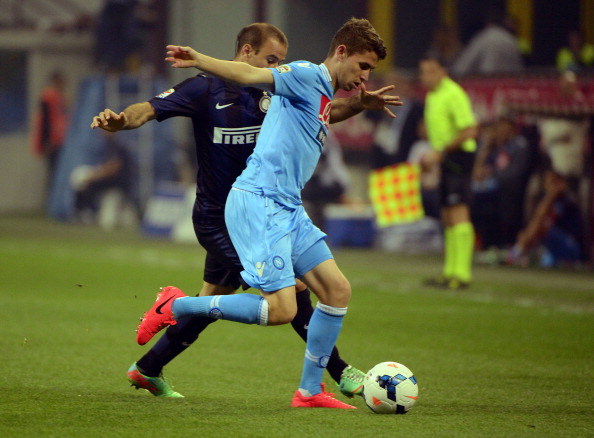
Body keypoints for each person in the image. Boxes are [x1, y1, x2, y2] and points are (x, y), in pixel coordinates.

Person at [91, 22, 399, 400]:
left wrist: (360, 103)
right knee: (291, 294)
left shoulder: (282, 91)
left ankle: (148, 367)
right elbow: (151, 108)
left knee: (231, 294)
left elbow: (321, 113)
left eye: (280, 61)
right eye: (271, 60)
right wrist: (124, 119)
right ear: (248, 52)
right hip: (232, 211)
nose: (277, 67)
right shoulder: (214, 87)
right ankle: (337, 372)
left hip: (272, 209)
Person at [419, 55, 478, 290]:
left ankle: (462, 274)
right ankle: (450, 271)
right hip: (445, 158)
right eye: (423, 72)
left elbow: (470, 130)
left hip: (459, 157)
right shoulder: (432, 95)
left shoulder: (454, 93)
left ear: (443, 71)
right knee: (447, 215)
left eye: (431, 71)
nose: (426, 77)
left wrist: (441, 152)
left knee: (458, 211)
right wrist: (434, 156)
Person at [507, 170, 583, 268]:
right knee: (532, 229)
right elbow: (538, 216)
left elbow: (541, 219)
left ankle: (514, 254)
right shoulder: (554, 201)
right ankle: (519, 252)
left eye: (553, 183)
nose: (549, 187)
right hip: (555, 247)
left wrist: (550, 196)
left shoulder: (567, 201)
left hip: (571, 246)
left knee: (541, 227)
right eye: (548, 184)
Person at [450, 10, 523, 76]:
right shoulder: (511, 40)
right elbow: (519, 69)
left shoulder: (486, 36)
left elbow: (462, 67)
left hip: (486, 81)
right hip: (508, 83)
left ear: (488, 23)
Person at [31, 70, 69, 195]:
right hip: (52, 141)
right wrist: (46, 141)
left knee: (59, 170)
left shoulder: (61, 97)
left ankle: (57, 196)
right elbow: (45, 121)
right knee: (53, 171)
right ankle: (52, 197)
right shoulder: (48, 97)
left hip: (60, 140)